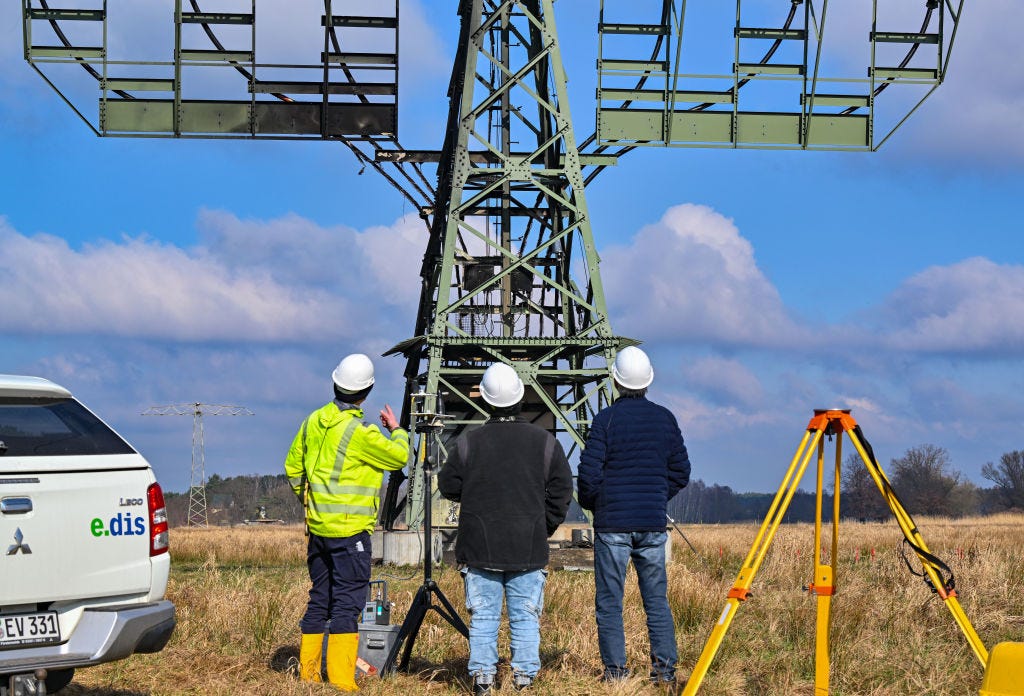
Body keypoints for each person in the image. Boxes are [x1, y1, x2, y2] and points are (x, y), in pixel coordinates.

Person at [437, 363, 573, 695]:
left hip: (480, 546)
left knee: (484, 619)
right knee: (525, 618)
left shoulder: (470, 443)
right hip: (528, 546)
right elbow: (562, 490)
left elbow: (448, 484)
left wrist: (474, 493)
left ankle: (483, 680)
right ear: (520, 397)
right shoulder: (545, 443)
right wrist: (544, 526)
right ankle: (524, 680)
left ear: (485, 400)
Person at [285, 353, 410, 691]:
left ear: (334, 383)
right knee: (348, 602)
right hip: (350, 533)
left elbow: (292, 467)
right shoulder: (360, 433)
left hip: (318, 530)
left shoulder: (313, 421)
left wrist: (312, 504)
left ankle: (309, 674)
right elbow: (400, 456)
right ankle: (341, 680)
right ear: (366, 391)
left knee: (320, 598)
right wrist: (397, 431)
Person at [577, 346, 691, 688]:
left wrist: (599, 504)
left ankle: (615, 675)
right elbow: (681, 471)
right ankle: (665, 674)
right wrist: (655, 497)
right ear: (648, 381)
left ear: (616, 381)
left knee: (610, 602)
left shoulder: (606, 420)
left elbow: (588, 476)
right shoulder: (665, 419)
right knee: (656, 600)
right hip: (652, 525)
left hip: (612, 526)